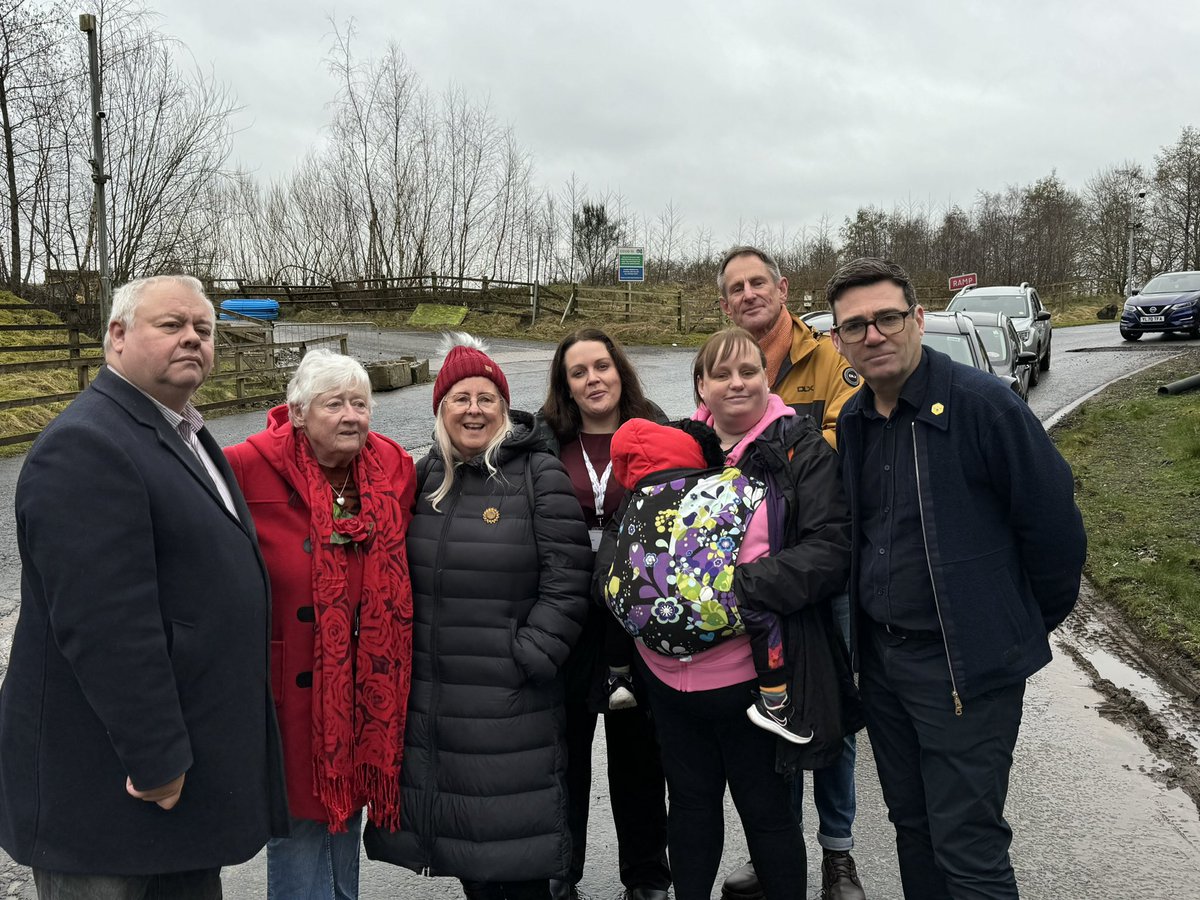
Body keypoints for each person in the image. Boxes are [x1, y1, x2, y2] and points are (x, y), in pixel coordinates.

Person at [0, 275, 288, 899]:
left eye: (204, 329)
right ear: (117, 337)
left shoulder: (180, 428)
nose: (192, 338)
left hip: (172, 800)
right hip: (114, 796)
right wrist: (157, 761)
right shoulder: (88, 444)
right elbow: (106, 625)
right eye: (171, 325)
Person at [826, 257, 1087, 899]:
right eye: (854, 326)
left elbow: (1056, 535)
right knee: (912, 828)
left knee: (967, 845)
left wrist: (1000, 626)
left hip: (963, 669)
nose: (873, 335)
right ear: (839, 342)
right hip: (885, 667)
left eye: (886, 318)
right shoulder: (856, 421)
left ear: (917, 319)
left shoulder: (985, 408)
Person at [598, 327, 854, 900]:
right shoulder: (680, 447)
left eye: (749, 371)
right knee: (688, 806)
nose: (737, 383)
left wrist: (732, 590)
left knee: (765, 813)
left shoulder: (799, 447)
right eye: (722, 374)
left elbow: (830, 550)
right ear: (701, 386)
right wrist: (622, 588)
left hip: (752, 677)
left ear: (768, 379)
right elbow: (630, 530)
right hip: (667, 679)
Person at [363, 334, 593, 900]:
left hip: (508, 702)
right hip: (436, 703)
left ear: (504, 406)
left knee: (514, 858)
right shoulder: (422, 480)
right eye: (460, 398)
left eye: (486, 397)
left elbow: (570, 578)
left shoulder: (537, 474)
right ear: (441, 409)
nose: (473, 409)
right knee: (467, 850)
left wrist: (530, 655)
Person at [224, 349, 416, 900]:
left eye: (360, 403)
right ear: (299, 412)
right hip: (291, 680)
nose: (351, 416)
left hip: (364, 681)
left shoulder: (392, 467)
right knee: (302, 818)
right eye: (335, 404)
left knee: (345, 811)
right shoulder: (245, 464)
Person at [717, 245, 866, 900]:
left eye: (758, 283)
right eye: (735, 288)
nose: (748, 294)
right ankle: (774, 849)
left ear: (782, 289)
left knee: (827, 711)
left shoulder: (829, 361)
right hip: (754, 580)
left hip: (816, 568)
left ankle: (838, 854)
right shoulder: (726, 363)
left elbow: (837, 452)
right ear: (725, 304)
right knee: (763, 714)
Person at [535, 328, 671, 900]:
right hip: (568, 617)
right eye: (579, 372)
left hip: (635, 618)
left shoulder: (656, 430)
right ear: (565, 385)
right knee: (563, 754)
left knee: (638, 755)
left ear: (620, 371)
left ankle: (646, 878)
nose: (593, 379)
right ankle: (560, 871)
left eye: (602, 366)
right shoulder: (546, 441)